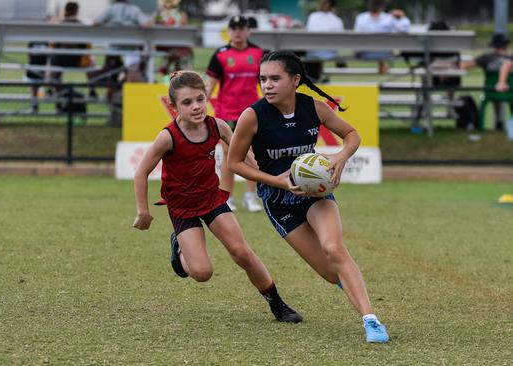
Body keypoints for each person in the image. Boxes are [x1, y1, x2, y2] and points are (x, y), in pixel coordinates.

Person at [227, 50, 390, 343]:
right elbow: (234, 163)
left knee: (334, 249)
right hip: (279, 202)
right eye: (263, 79)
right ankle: (353, 287)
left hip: (315, 194)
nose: (268, 85)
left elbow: (352, 134)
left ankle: (371, 320)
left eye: (275, 78)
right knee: (330, 273)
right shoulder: (252, 116)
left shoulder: (314, 108)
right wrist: (275, 180)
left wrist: (341, 156)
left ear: (295, 80)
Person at [133, 70, 302, 324]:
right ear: (173, 106)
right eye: (187, 103)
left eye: (200, 99)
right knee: (202, 273)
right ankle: (178, 248)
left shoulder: (218, 126)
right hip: (182, 207)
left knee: (241, 252)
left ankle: (277, 303)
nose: (196, 107)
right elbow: (141, 172)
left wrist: (268, 177)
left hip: (212, 199)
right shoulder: (167, 137)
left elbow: (243, 155)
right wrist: (143, 212)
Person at [206, 16, 264, 213]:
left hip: (251, 113)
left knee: (252, 155)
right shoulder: (220, 55)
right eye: (234, 29)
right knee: (230, 155)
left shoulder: (258, 53)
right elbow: (210, 85)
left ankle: (251, 196)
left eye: (242, 28)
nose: (238, 32)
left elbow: (265, 84)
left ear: (248, 31)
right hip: (226, 113)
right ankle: (227, 197)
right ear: (229, 32)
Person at [459, 33, 513, 130]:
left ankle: (498, 121)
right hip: (509, 92)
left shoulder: (486, 58)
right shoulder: (510, 59)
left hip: (491, 92)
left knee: (494, 95)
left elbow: (464, 66)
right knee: (499, 96)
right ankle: (499, 121)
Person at [94, 0, 152, 82]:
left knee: (112, 72)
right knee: (134, 70)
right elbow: (147, 25)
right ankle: (130, 89)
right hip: (132, 48)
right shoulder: (134, 10)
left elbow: (96, 22)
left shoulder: (111, 9)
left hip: (113, 48)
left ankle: (113, 90)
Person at [353, 0, 410, 74]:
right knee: (383, 49)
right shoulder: (389, 18)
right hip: (383, 52)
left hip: (365, 52)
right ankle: (382, 63)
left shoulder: (360, 18)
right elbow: (404, 29)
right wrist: (402, 16)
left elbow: (356, 36)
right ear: (383, 6)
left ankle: (382, 63)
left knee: (378, 48)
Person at [153, 0, 193, 75]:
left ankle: (166, 71)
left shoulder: (159, 14)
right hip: (173, 46)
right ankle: (176, 74)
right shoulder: (181, 14)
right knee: (181, 53)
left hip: (166, 46)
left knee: (175, 54)